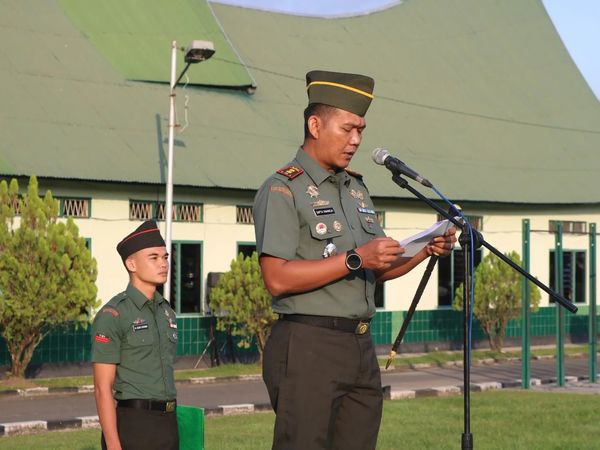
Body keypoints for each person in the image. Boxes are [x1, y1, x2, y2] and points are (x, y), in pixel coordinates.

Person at [253, 70, 457, 450]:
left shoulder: (356, 191)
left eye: (361, 130)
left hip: (359, 347)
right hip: (307, 344)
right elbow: (276, 278)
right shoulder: (283, 189)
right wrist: (355, 258)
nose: (356, 140)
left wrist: (424, 249)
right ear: (315, 125)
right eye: (347, 129)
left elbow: (375, 268)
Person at [91, 220, 179, 450]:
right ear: (131, 263)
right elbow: (102, 388)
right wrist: (113, 445)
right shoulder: (114, 314)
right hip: (134, 426)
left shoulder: (166, 312)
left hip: (169, 424)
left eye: (165, 257)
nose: (163, 264)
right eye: (154, 258)